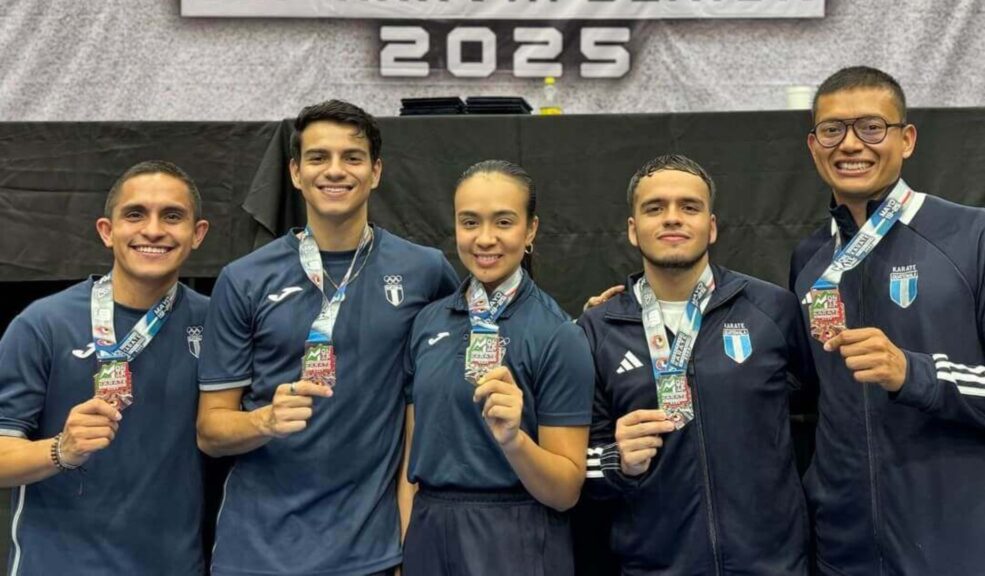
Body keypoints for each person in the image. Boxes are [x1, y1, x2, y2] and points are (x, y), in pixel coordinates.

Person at [196, 99, 458, 576]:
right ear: (295, 172)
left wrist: (592, 316)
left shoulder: (425, 271)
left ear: (376, 172)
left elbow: (475, 339)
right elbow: (211, 433)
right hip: (258, 554)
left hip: (372, 553)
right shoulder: (243, 278)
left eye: (352, 157)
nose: (335, 171)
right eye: (318, 157)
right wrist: (265, 422)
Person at [790, 66, 985, 575]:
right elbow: (803, 394)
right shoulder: (810, 260)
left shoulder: (977, 235)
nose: (851, 144)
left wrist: (914, 373)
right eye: (833, 129)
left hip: (962, 553)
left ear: (908, 139)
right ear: (814, 146)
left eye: (872, 127)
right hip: (844, 553)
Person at [579, 154, 815, 575]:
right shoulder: (597, 329)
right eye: (655, 208)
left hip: (774, 565)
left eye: (689, 207)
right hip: (653, 566)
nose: (673, 219)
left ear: (712, 225)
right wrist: (617, 459)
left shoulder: (773, 310)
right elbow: (573, 462)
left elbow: (821, 417)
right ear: (633, 230)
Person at [0, 160, 210, 575]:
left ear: (197, 234)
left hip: (174, 565)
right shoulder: (43, 324)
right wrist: (62, 450)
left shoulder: (217, 323)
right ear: (106, 231)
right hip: (58, 565)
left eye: (172, 216)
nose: (153, 230)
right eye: (135, 214)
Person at [400, 160, 594, 576]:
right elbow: (411, 454)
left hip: (517, 536)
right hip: (429, 530)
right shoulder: (427, 322)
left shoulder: (558, 335)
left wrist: (513, 441)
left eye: (503, 222)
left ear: (530, 231)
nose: (484, 238)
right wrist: (405, 544)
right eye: (470, 222)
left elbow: (565, 491)